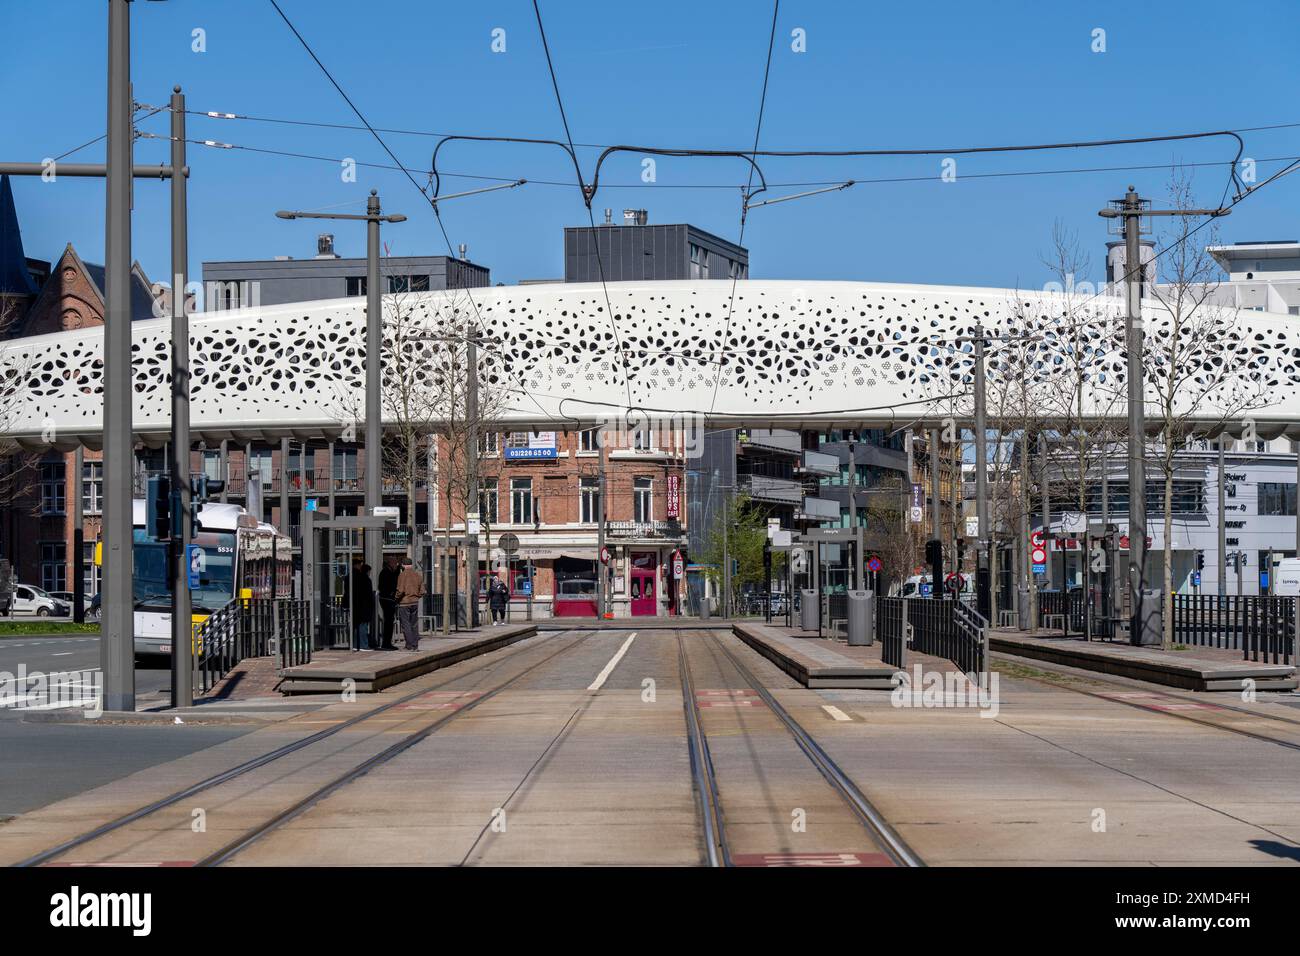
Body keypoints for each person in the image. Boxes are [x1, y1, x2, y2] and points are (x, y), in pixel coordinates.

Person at [394, 557, 425, 650]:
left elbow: (400, 590)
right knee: (414, 624)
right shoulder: (417, 575)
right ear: (411, 565)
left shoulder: (402, 575)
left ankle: (409, 645)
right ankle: (415, 645)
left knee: (406, 624)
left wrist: (396, 598)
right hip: (415, 603)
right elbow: (423, 591)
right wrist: (416, 597)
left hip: (404, 603)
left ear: (403, 565)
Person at [351, 559, 376, 651]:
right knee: (363, 626)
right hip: (363, 606)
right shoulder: (364, 579)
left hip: (355, 605)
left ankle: (355, 644)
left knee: (356, 626)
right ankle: (363, 645)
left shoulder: (350, 576)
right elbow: (368, 594)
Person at [377, 554, 400, 650]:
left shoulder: (390, 572)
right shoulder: (386, 572)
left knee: (389, 621)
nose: (396, 564)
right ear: (390, 563)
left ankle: (387, 642)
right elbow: (388, 585)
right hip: (387, 599)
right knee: (388, 621)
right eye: (395, 562)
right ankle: (386, 643)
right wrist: (391, 594)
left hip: (388, 599)